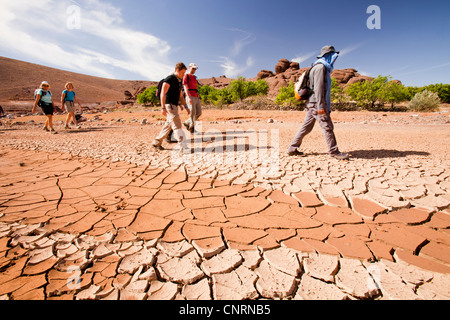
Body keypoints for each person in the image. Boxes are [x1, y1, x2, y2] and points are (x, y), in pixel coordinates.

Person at [287, 45, 349, 160]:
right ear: (328, 55)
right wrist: (321, 106)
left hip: (312, 103)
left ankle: (292, 148)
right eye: (333, 55)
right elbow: (319, 88)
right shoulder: (321, 68)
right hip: (317, 103)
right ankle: (333, 151)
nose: (335, 58)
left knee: (306, 127)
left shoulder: (316, 66)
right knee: (327, 126)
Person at [152, 62, 190, 152]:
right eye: (182, 72)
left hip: (174, 106)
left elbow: (181, 96)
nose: (183, 74)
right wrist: (162, 107)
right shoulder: (170, 79)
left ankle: (156, 142)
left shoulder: (178, 81)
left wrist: (186, 106)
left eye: (184, 73)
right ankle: (183, 146)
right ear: (177, 70)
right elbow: (163, 93)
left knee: (168, 126)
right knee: (177, 125)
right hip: (170, 105)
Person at [183, 63, 203, 133]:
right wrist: (188, 97)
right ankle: (192, 129)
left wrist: (198, 97)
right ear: (189, 68)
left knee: (199, 112)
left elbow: (197, 86)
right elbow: (185, 86)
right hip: (190, 95)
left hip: (196, 96)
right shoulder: (186, 76)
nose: (194, 70)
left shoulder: (194, 77)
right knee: (192, 113)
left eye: (195, 69)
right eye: (193, 68)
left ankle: (187, 122)